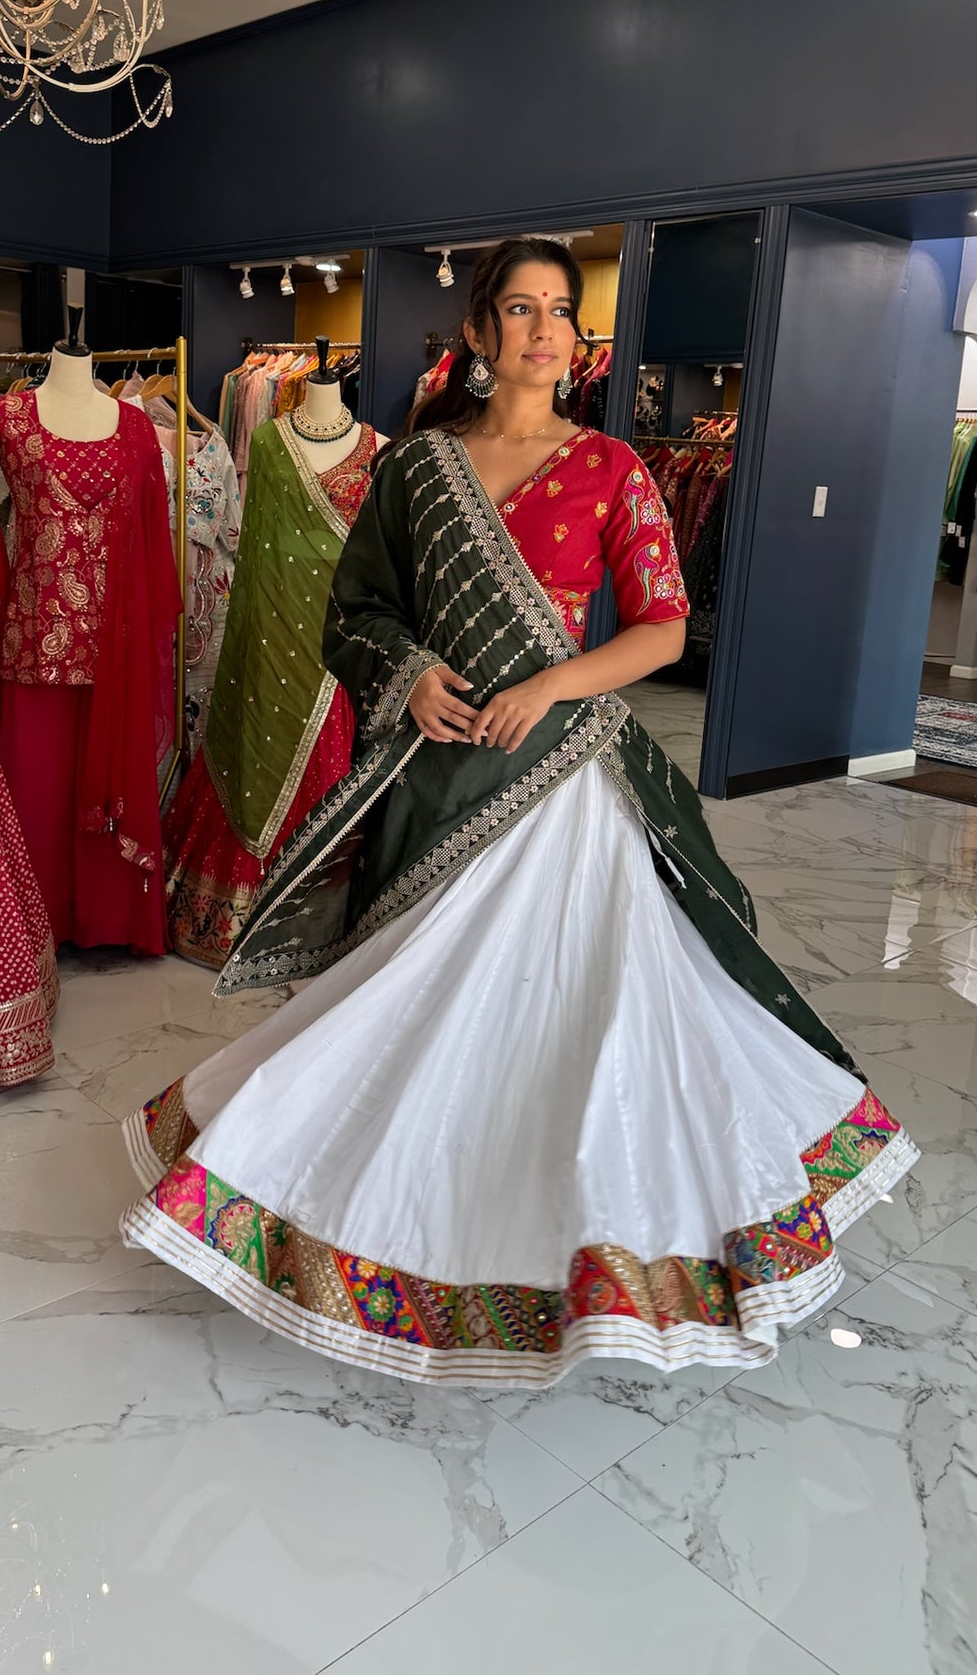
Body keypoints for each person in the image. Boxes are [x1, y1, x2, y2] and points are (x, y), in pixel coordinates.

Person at [121, 238, 916, 1387]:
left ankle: (585, 1237)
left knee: (582, 1020)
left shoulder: (610, 468)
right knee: (410, 999)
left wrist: (546, 683)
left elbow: (659, 626)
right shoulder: (414, 470)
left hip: (563, 790)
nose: (546, 332)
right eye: (520, 309)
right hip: (436, 774)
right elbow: (356, 613)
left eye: (563, 313)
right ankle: (365, 1213)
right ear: (480, 331)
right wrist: (411, 677)